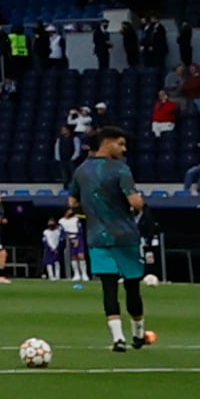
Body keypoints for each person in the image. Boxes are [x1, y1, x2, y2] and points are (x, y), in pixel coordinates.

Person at [70, 127, 153, 353]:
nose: (124, 149)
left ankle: (118, 339)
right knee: (132, 286)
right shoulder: (120, 169)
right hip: (125, 236)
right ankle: (138, 335)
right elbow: (135, 203)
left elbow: (72, 202)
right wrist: (138, 203)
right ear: (106, 142)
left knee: (108, 288)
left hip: (97, 236)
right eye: (121, 143)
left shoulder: (81, 171)